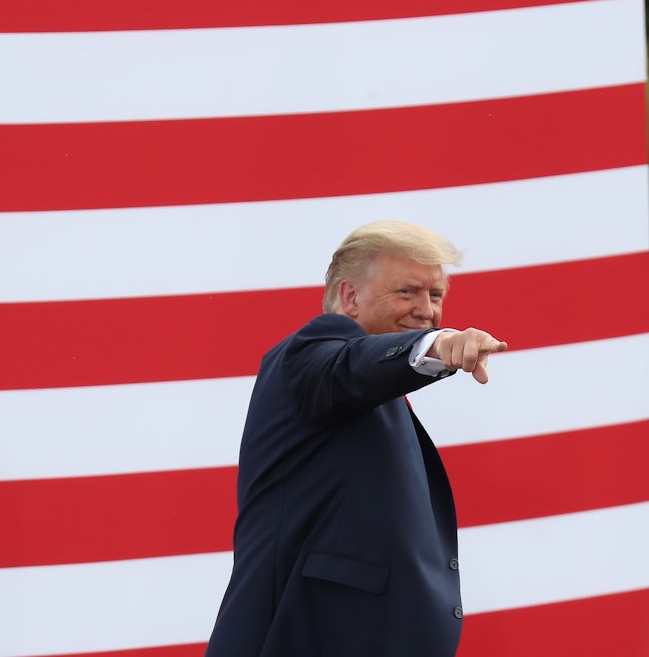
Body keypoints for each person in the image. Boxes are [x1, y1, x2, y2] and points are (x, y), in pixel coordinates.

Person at [204, 220, 508, 656]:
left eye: (435, 295)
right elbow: (350, 366)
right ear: (349, 297)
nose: (426, 310)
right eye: (407, 291)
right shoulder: (310, 352)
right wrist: (435, 345)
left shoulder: (370, 392)